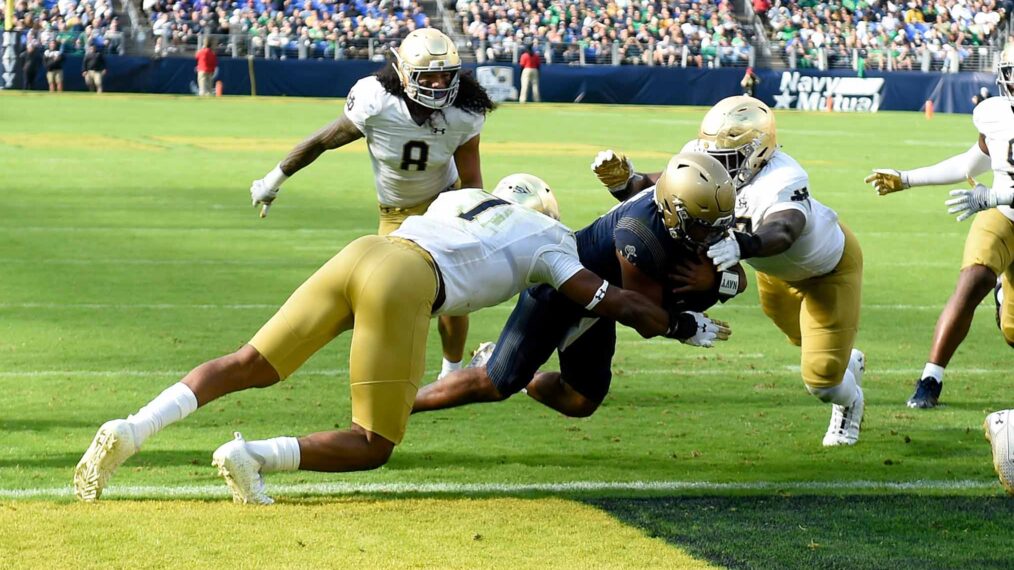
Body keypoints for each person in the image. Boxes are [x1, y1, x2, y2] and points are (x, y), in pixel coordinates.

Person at [74, 176, 708, 504]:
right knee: (373, 442)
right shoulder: (550, 239)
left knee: (250, 362)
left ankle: (134, 427)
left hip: (367, 250)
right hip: (407, 281)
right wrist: (684, 320)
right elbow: (617, 303)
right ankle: (254, 456)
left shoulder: (464, 200)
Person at [594, 96, 866, 447]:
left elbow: (783, 229)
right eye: (710, 157)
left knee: (821, 379)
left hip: (829, 271)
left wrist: (743, 245)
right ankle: (844, 359)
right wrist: (625, 183)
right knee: (805, 343)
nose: (715, 167)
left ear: (758, 152)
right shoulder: (706, 156)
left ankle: (850, 402)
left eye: (727, 159)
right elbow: (669, 191)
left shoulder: (783, 176)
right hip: (776, 275)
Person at [249, 28, 495, 382]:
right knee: (390, 295)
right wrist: (272, 180)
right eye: (430, 76)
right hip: (395, 216)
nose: (440, 84)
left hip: (444, 204)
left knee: (454, 296)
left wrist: (472, 222)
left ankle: (450, 374)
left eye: (447, 75)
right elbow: (322, 141)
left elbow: (472, 179)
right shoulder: (375, 101)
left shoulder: (464, 112)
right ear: (405, 74)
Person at [413, 152, 739, 418]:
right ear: (673, 211)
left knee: (579, 400)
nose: (710, 235)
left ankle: (499, 362)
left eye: (716, 226)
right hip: (565, 286)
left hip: (607, 299)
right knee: (496, 383)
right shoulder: (638, 235)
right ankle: (399, 407)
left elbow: (737, 280)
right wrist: (682, 326)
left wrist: (716, 279)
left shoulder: (694, 212)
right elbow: (644, 317)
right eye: (701, 226)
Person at [865, 46, 1014, 409]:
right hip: (1004, 219)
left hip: (997, 204)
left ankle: (1003, 292)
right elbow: (971, 162)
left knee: (1012, 332)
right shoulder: (994, 114)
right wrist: (907, 179)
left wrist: (994, 197)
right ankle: (930, 379)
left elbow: (993, 190)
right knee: (972, 280)